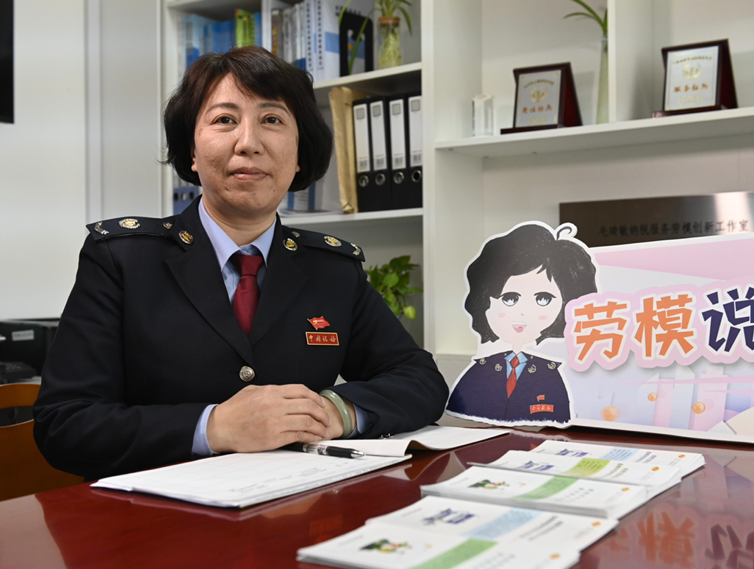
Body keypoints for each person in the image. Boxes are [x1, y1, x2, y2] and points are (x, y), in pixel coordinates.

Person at [33, 47, 448, 480]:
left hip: (296, 502)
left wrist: (335, 412)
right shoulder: (122, 258)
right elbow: (65, 423)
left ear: (299, 154)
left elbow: (419, 379)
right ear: (192, 152)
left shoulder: (332, 269)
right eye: (224, 120)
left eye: (272, 120)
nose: (248, 142)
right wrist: (212, 427)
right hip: (158, 510)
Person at [445, 223, 596, 424]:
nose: (523, 312)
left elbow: (559, 418)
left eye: (543, 299)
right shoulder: (479, 371)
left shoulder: (552, 374)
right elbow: (463, 410)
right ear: (484, 300)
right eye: (509, 298)